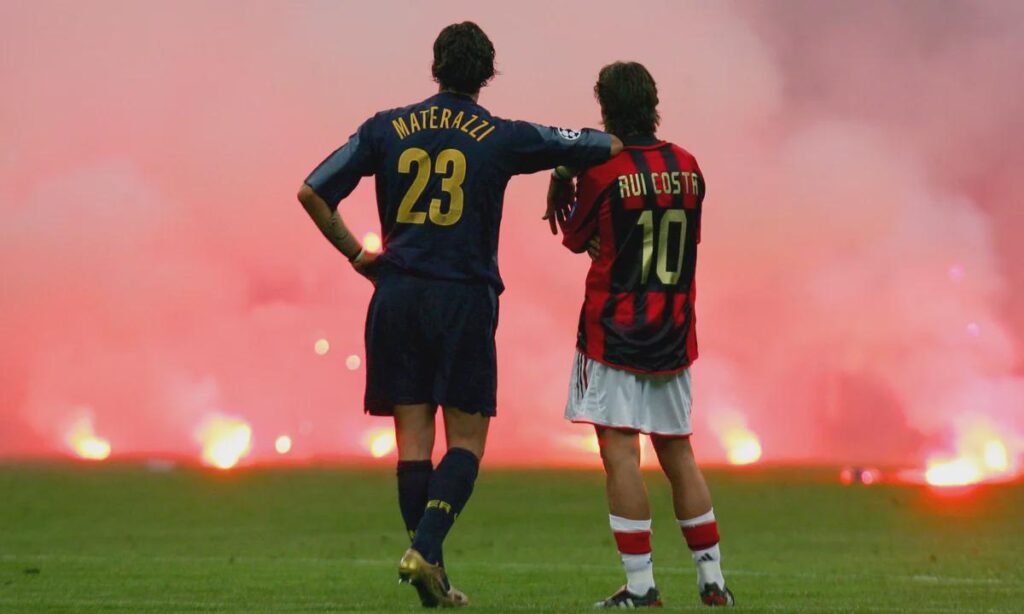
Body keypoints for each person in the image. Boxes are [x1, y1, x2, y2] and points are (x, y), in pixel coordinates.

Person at [297, 22, 622, 608]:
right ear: (487, 75)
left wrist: (358, 255)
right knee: (467, 441)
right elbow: (598, 144)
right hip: (462, 299)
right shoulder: (501, 135)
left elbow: (313, 191)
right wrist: (563, 169)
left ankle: (433, 578)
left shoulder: (386, 127)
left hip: (395, 297)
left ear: (436, 67)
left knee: (414, 445)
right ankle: (425, 551)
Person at [549, 61, 734, 608]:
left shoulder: (602, 172)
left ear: (605, 108)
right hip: (674, 331)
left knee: (620, 454)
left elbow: (574, 236)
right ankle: (712, 579)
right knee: (679, 451)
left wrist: (565, 176)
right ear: (653, 102)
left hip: (614, 331)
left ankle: (641, 586)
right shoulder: (689, 166)